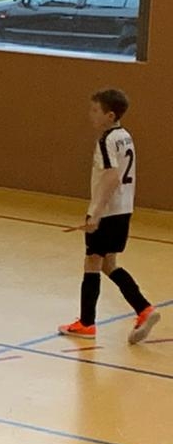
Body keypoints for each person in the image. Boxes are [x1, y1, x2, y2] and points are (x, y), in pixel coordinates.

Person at [57, 88, 160, 343]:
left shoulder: (106, 140)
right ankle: (144, 309)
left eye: (95, 110)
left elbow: (111, 177)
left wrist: (95, 213)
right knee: (108, 264)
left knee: (92, 262)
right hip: (124, 209)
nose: (91, 115)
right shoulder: (125, 136)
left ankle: (86, 323)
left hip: (108, 211)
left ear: (110, 115)